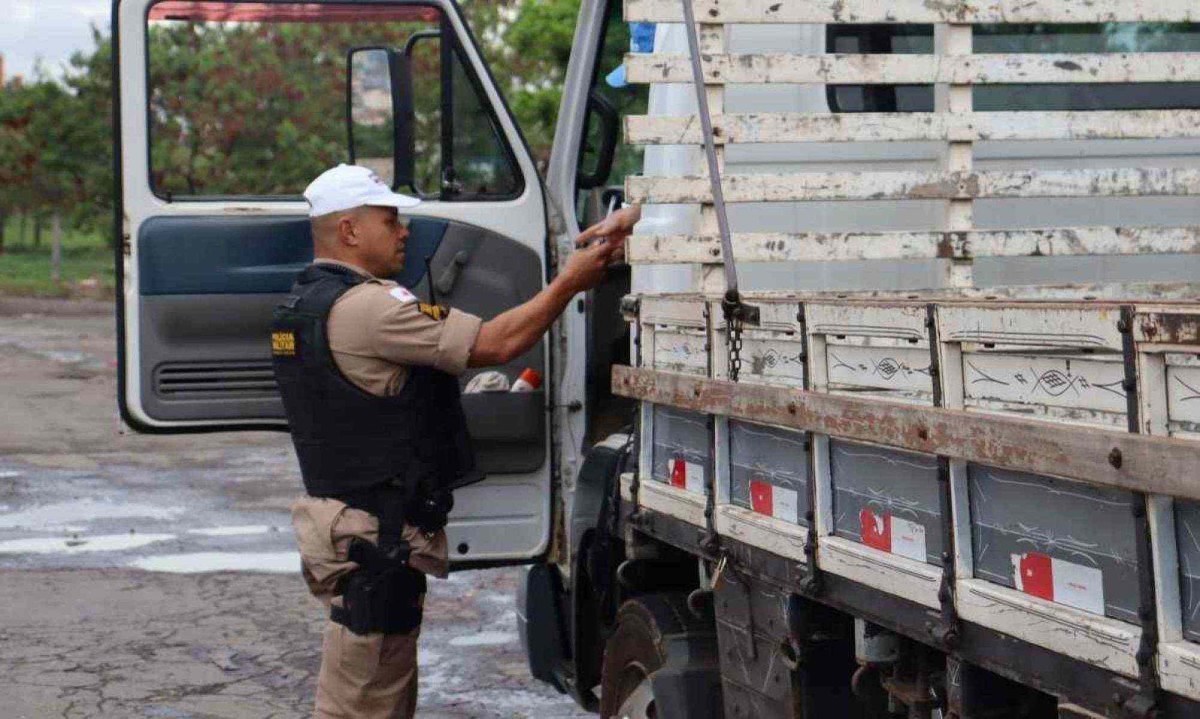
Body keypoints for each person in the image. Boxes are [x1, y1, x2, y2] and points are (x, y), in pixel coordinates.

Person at [270, 164, 628, 719]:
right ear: (348, 231)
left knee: (369, 686)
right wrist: (569, 283)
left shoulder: (306, 302)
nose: (404, 231)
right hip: (374, 536)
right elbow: (496, 342)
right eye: (389, 220)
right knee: (363, 702)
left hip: (346, 524)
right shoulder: (368, 309)